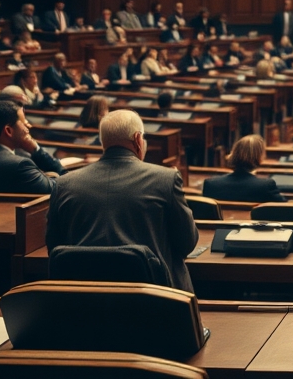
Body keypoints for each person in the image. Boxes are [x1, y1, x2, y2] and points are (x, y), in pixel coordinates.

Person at [46, 109, 198, 292]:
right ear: (137, 139)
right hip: (154, 299)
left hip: (84, 298)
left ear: (103, 141)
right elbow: (187, 243)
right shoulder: (165, 179)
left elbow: (53, 247)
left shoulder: (64, 184)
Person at [201, 135, 285, 203]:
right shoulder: (266, 186)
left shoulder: (211, 184)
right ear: (260, 158)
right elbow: (284, 209)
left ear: (233, 154)